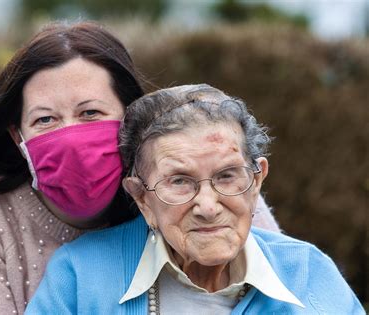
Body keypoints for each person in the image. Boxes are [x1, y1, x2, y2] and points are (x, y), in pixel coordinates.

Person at [0, 22, 279, 314]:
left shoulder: (205, 182)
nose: (70, 137)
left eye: (90, 113)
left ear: (130, 117)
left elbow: (282, 284)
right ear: (18, 138)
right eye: (46, 120)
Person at [26, 84, 364, 314]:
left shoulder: (309, 274)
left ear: (256, 180)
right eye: (180, 182)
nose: (207, 206)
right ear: (142, 198)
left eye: (227, 176)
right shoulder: (80, 276)